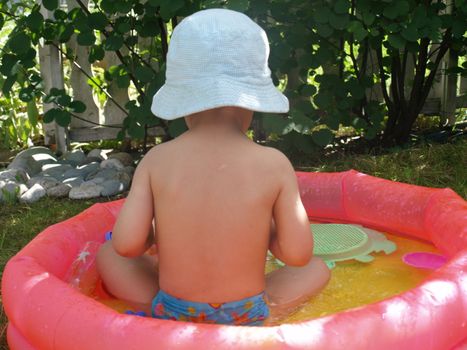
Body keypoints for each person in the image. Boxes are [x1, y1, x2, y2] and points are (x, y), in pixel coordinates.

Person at [97, 8, 330, 326]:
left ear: (184, 104)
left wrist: (161, 232)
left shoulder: (157, 161)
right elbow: (297, 254)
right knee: (316, 268)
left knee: (108, 255)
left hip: (173, 309)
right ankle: (272, 314)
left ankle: (152, 319)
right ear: (251, 102)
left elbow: (126, 244)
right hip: (247, 312)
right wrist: (264, 231)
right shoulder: (274, 165)